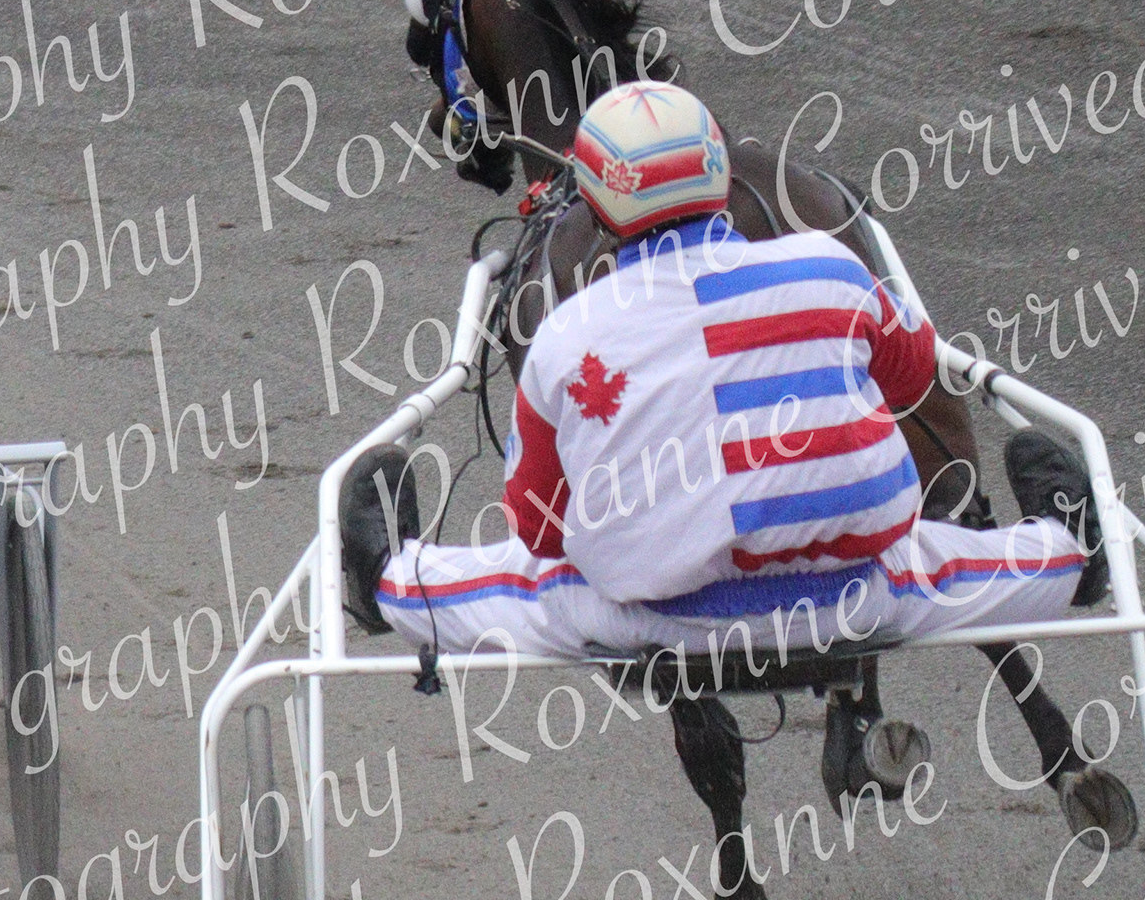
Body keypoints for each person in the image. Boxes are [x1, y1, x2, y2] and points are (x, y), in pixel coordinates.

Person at [350, 79, 1098, 662]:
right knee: (978, 561)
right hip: (859, 597)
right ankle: (1072, 553)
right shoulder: (834, 267)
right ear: (719, 175)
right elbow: (913, 388)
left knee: (504, 584)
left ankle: (387, 575)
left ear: (598, 207)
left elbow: (538, 532)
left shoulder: (562, 338)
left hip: (661, 624)